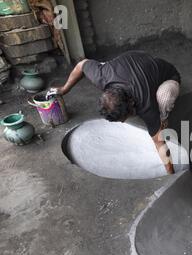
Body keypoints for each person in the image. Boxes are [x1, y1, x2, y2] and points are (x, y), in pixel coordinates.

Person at [50, 51, 181, 174]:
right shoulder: (101, 76)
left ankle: (163, 119)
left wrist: (171, 173)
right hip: (133, 63)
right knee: (104, 66)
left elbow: (159, 143)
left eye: (123, 118)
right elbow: (81, 65)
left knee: (164, 96)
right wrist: (64, 89)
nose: (123, 122)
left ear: (131, 103)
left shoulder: (146, 104)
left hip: (167, 76)